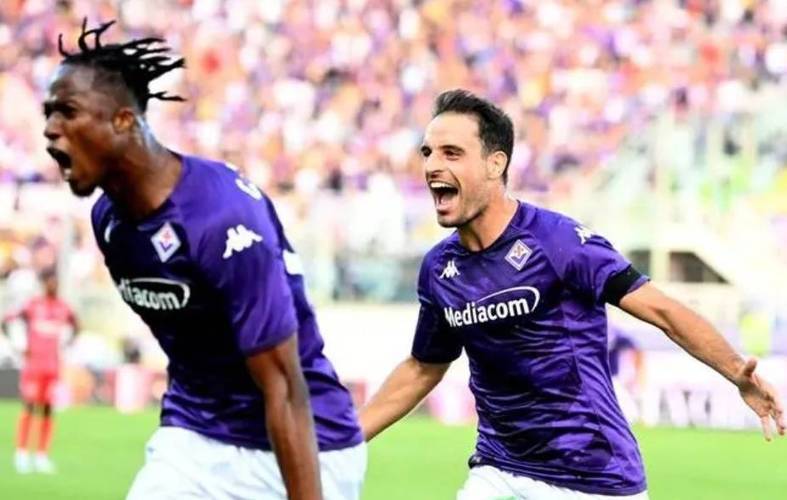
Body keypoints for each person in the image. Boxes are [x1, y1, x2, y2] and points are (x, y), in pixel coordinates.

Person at [359, 89, 785, 499]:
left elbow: (662, 310)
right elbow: (423, 367)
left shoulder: (558, 242)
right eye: (428, 152)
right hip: (499, 470)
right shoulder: (440, 269)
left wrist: (736, 371)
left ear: (495, 163)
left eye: (452, 153)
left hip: (594, 476)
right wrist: (344, 440)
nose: (432, 165)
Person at [43, 20, 364, 500]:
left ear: (124, 121)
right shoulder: (108, 221)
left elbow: (283, 385)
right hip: (195, 435)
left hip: (304, 442)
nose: (50, 130)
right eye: (48, 113)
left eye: (68, 112)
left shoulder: (221, 219)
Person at [2, 268, 78, 474]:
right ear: (43, 283)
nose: (53, 285)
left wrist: (67, 345)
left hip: (52, 367)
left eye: (56, 282)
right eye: (50, 281)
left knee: (47, 410)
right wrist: (18, 346)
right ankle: (21, 453)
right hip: (33, 366)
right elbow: (6, 321)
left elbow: (76, 326)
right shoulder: (32, 306)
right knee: (29, 408)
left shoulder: (63, 307)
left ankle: (41, 455)